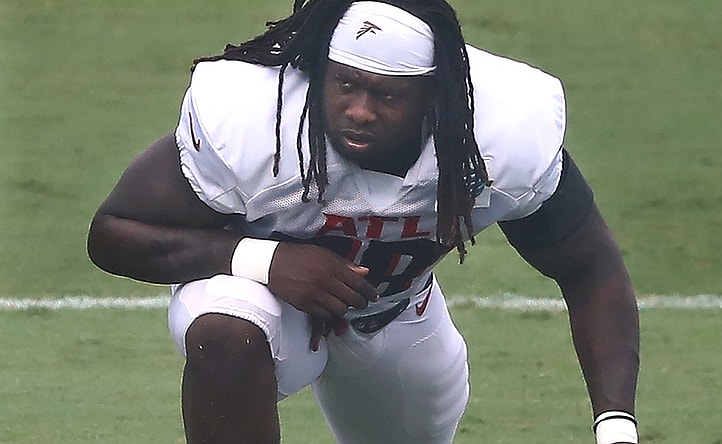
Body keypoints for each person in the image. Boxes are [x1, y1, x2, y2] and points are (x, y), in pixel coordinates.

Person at [87, 0, 640, 442]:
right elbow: (114, 233)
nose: (359, 110)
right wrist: (266, 260)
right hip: (268, 303)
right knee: (228, 327)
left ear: (433, 94)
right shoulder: (258, 118)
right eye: (345, 84)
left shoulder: (499, 136)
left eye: (388, 94)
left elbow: (589, 267)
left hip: (396, 314)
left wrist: (616, 426)